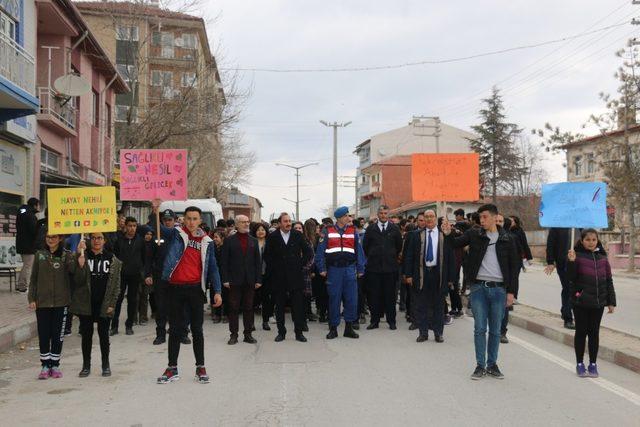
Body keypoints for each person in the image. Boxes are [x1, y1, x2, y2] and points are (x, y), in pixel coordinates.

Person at [442, 204, 519, 380]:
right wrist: (447, 233)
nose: (481, 220)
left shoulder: (508, 238)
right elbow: (455, 243)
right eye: (480, 217)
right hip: (478, 288)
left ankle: (492, 364)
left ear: (494, 217)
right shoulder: (474, 234)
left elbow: (514, 268)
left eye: (485, 217)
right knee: (479, 329)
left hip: (499, 290)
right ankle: (479, 365)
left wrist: (511, 292)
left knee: (495, 330)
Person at [152, 201, 222, 384]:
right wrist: (154, 210)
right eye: (188, 219)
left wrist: (218, 291)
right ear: (184, 220)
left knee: (197, 330)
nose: (191, 222)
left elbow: (213, 267)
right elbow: (156, 228)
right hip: (175, 288)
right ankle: (172, 368)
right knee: (175, 330)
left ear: (200, 221)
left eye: (195, 219)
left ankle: (201, 367)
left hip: (195, 290)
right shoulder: (176, 234)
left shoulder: (207, 241)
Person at [567, 229, 616, 378]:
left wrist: (611, 301)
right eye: (587, 240)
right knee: (581, 332)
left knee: (594, 333)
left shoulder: (602, 258)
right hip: (580, 301)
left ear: (597, 241)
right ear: (582, 241)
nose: (591, 242)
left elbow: (608, 280)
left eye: (594, 240)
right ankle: (580, 364)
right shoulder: (576, 255)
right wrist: (571, 262)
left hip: (598, 302)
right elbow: (570, 277)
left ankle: (593, 364)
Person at [71, 232, 122, 377]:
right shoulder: (83, 256)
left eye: (99, 238)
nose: (96, 241)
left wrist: (112, 303)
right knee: (86, 335)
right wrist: (78, 260)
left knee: (104, 336)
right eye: (93, 238)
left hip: (104, 304)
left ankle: (105, 365)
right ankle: (86, 366)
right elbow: (77, 280)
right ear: (89, 240)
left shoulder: (112, 259)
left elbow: (116, 285)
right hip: (86, 303)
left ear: (104, 240)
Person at [28, 231, 76, 379]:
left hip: (61, 303)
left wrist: (79, 254)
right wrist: (32, 299)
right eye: (48, 237)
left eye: (54, 237)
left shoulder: (66, 255)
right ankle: (44, 365)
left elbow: (73, 271)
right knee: (44, 335)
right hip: (42, 303)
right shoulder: (39, 255)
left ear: (60, 238)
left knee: (57, 335)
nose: (50, 239)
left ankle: (55, 365)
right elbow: (34, 279)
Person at [403, 210, 456, 343]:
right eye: (426, 217)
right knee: (422, 305)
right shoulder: (416, 235)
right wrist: (408, 274)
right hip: (421, 274)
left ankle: (438, 333)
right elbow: (409, 256)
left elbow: (450, 257)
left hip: (439, 274)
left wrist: (451, 278)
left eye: (431, 216)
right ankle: (423, 333)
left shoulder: (444, 234)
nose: (428, 219)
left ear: (435, 218)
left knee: (438, 305)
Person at [315, 206, 365, 340]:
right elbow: (320, 252)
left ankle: (349, 328)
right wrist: (322, 268)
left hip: (350, 269)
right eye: (347, 216)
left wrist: (361, 268)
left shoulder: (353, 231)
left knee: (351, 300)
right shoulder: (327, 231)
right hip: (334, 270)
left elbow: (359, 251)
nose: (349, 218)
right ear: (339, 218)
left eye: (349, 216)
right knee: (334, 299)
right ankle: (333, 329)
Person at [264, 213, 313, 342]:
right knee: (279, 306)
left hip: (295, 276)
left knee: (297, 306)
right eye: (285, 221)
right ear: (279, 223)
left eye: (289, 221)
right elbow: (267, 255)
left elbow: (308, 252)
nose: (288, 223)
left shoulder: (297, 235)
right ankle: (281, 332)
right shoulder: (273, 237)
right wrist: (275, 267)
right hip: (278, 277)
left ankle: (299, 333)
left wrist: (300, 264)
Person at [221, 215, 261, 345]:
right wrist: (225, 279)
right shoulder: (229, 240)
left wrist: (258, 279)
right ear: (237, 225)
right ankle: (233, 335)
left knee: (249, 308)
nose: (246, 224)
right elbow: (224, 262)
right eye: (243, 222)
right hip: (234, 280)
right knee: (233, 308)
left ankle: (248, 334)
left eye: (247, 222)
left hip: (249, 280)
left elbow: (257, 262)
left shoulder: (253, 241)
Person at [363, 205, 403, 331]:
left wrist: (390, 256)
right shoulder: (370, 229)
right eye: (381, 213)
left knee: (390, 296)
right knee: (374, 296)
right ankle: (374, 321)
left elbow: (399, 246)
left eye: (385, 213)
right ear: (377, 214)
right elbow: (365, 247)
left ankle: (392, 321)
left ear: (388, 214)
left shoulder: (394, 229)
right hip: (374, 269)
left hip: (390, 269)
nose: (383, 215)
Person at [110, 217, 150, 336]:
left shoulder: (140, 241)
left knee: (133, 300)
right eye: (130, 226)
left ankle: (129, 325)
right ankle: (114, 326)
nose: (132, 228)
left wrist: (143, 272)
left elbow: (144, 258)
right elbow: (115, 256)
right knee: (118, 300)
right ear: (125, 227)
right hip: (121, 275)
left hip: (135, 275)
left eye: (134, 226)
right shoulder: (119, 240)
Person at [545, 227, 580, 330]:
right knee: (568, 288)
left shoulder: (581, 226)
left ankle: (565, 309)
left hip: (578, 263)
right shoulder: (557, 227)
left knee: (576, 289)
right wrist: (550, 262)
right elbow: (550, 244)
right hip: (563, 263)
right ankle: (568, 318)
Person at [16, 197, 40, 292]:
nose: (38, 207)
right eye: (38, 205)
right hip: (28, 245)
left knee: (26, 265)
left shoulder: (22, 212)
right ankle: (22, 286)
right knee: (28, 266)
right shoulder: (30, 215)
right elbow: (34, 230)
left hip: (22, 243)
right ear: (35, 205)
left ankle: (20, 284)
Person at [251, 223, 271, 330]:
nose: (261, 231)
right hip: (254, 275)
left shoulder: (269, 243)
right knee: (253, 300)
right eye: (258, 230)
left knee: (266, 299)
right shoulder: (252, 242)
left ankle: (265, 321)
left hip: (266, 275)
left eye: (263, 229)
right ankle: (251, 323)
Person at [211, 229, 228, 324]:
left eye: (216, 237)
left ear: (222, 238)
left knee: (226, 296)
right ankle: (217, 315)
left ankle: (225, 314)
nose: (214, 239)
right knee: (215, 295)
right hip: (214, 275)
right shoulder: (212, 247)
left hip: (224, 275)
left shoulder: (226, 248)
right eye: (214, 237)